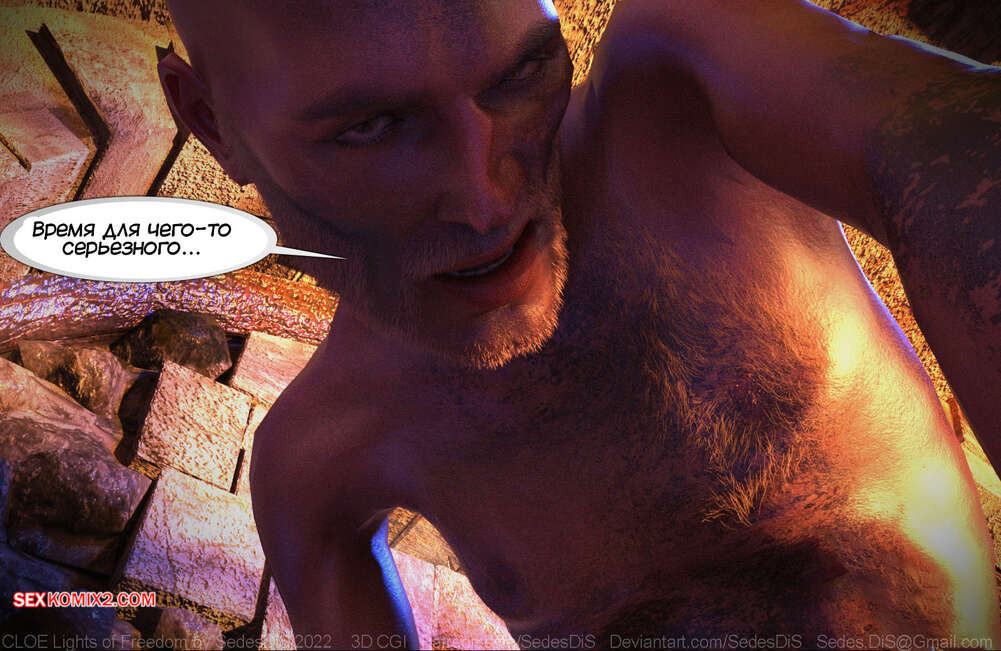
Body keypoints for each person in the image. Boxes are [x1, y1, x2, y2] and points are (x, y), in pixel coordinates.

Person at [159, 0, 1001, 647]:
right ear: (209, 121)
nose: (486, 201)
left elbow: (944, 141)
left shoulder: (681, 80)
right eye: (371, 127)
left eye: (520, 74)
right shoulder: (314, 465)